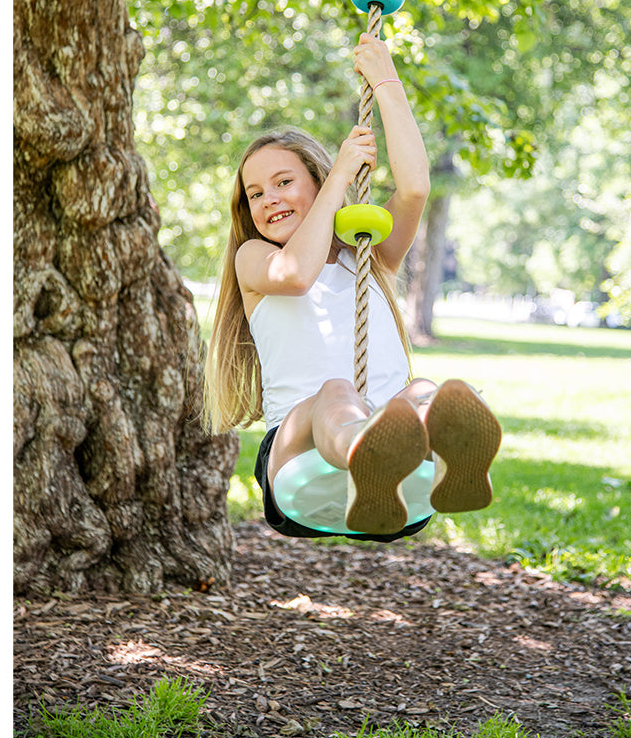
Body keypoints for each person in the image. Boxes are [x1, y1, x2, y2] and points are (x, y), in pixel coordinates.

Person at [204, 32, 502, 543]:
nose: (268, 199)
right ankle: (366, 455)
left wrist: (386, 82)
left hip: (399, 488)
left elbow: (415, 188)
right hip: (296, 460)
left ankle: (449, 462)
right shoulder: (254, 259)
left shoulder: (367, 258)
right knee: (337, 392)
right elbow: (296, 274)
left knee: (424, 392)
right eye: (255, 193)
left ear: (317, 183)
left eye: (283, 182)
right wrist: (343, 171)